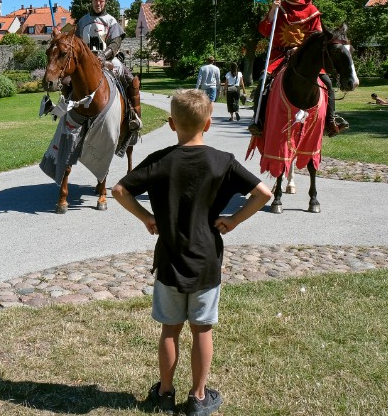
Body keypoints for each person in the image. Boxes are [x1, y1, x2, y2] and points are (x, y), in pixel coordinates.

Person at [112, 89, 271, 415]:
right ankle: (198, 398)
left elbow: (118, 190)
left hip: (170, 259)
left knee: (170, 329)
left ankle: (165, 394)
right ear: (209, 124)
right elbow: (264, 193)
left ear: (171, 124)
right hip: (206, 262)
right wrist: (235, 220)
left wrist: (146, 218)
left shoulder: (160, 161)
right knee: (202, 330)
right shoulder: (221, 161)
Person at [249, 0, 347, 137]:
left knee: (328, 83)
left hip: (305, 57)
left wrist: (301, 49)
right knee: (263, 80)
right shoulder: (280, 6)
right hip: (280, 54)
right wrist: (273, 9)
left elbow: (318, 36)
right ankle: (258, 120)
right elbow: (265, 31)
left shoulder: (312, 10)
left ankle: (331, 121)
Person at [76, 0, 142, 131]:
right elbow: (77, 42)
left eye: (101, 1)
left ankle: (133, 114)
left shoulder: (111, 21)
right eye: (95, 1)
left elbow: (115, 43)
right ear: (91, 2)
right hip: (86, 61)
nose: (98, 4)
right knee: (68, 80)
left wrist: (103, 55)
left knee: (130, 79)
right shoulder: (82, 21)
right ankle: (66, 111)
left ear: (105, 3)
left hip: (108, 60)